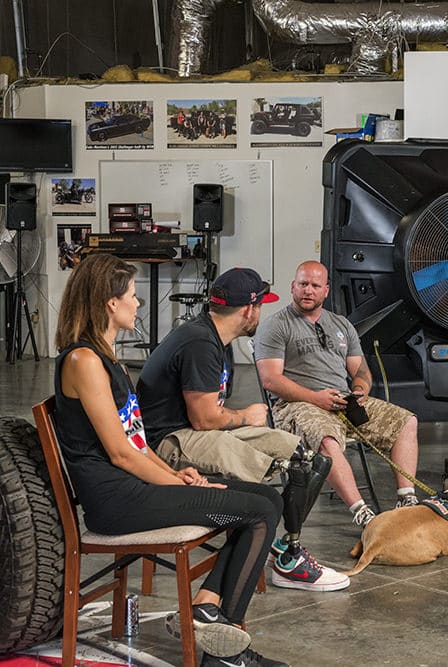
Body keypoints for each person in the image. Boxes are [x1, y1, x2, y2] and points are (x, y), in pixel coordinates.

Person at [53, 254, 286, 667]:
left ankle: (209, 610)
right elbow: (121, 454)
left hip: (136, 486)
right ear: (110, 303)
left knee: (268, 500)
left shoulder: (106, 358)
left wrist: (178, 473)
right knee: (257, 514)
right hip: (116, 501)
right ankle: (225, 652)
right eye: (132, 295)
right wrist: (179, 487)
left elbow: (139, 445)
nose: (138, 303)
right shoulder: (83, 361)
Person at [137, 267, 347, 593]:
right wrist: (246, 417)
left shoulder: (219, 339)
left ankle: (286, 550)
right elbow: (205, 419)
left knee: (307, 459)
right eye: (261, 305)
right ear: (249, 309)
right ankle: (285, 557)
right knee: (274, 470)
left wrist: (239, 419)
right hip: (169, 441)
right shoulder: (200, 342)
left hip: (197, 432)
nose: (261, 313)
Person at [254, 260, 420, 530]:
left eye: (315, 286)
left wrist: (360, 390)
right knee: (327, 440)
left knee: (407, 421)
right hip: (296, 405)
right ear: (292, 287)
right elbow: (270, 379)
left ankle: (407, 499)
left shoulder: (341, 325)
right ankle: (362, 512)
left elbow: (361, 370)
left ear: (326, 290)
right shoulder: (276, 326)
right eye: (303, 284)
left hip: (343, 402)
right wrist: (314, 397)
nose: (308, 290)